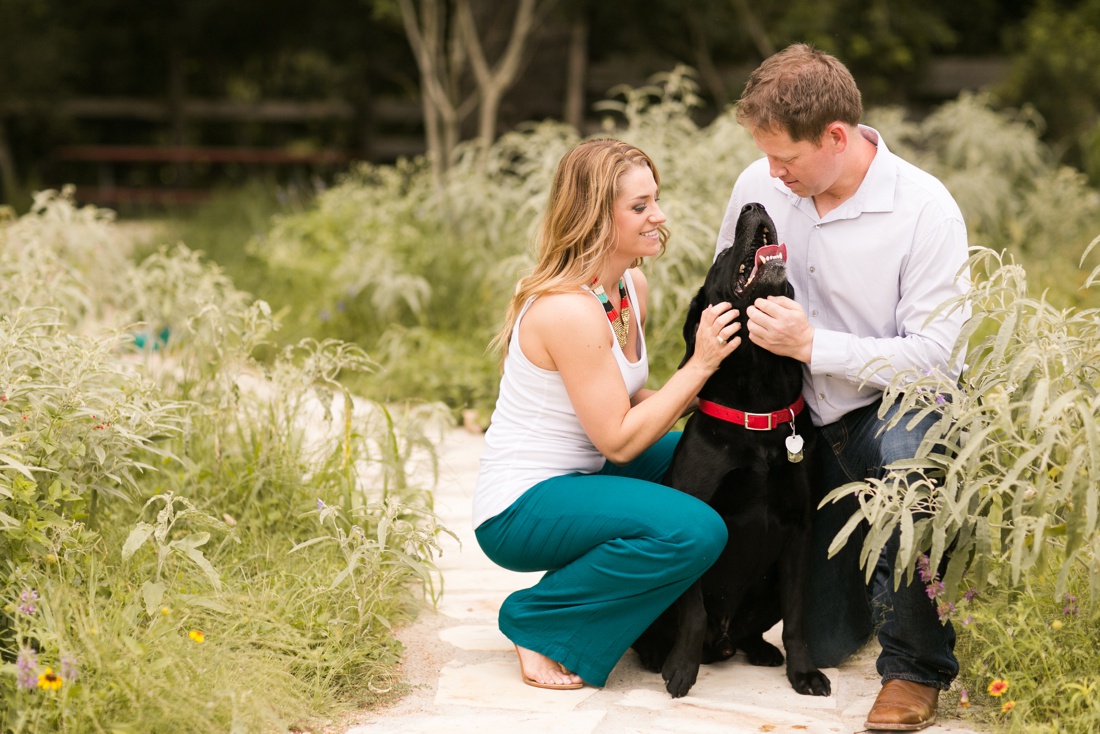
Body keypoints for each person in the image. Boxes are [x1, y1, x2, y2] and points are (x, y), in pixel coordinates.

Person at [714, 44, 970, 731]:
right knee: (819, 643)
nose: (771, 174)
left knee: (914, 452)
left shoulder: (925, 210)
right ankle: (858, 587)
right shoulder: (760, 184)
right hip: (791, 419)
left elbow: (936, 360)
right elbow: (724, 292)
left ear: (837, 136)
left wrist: (812, 345)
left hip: (884, 416)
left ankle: (915, 669)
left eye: (785, 160)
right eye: (766, 158)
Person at [473, 138, 739, 690]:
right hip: (522, 506)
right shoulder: (568, 309)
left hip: (584, 474)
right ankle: (538, 619)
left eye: (655, 200)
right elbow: (619, 442)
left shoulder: (628, 285)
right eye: (639, 207)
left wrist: (721, 395)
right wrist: (700, 365)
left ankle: (690, 618)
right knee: (695, 531)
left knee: (718, 464)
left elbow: (630, 404)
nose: (658, 217)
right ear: (596, 217)